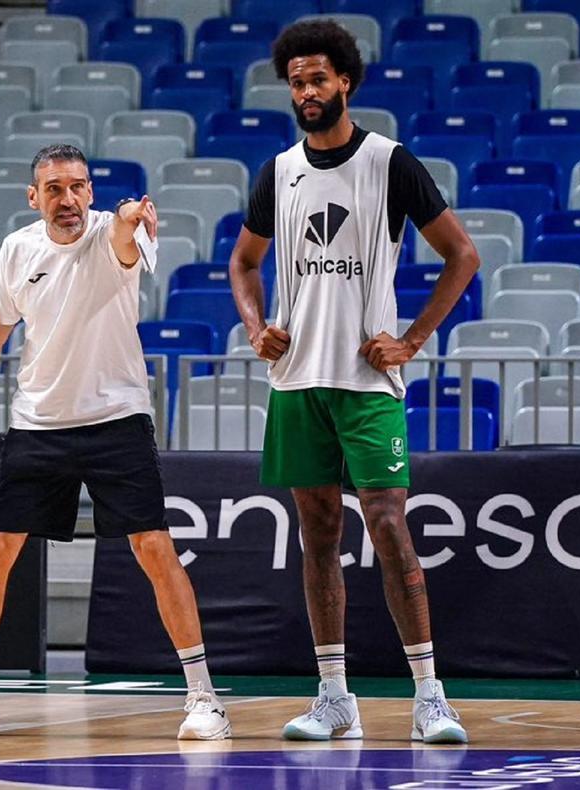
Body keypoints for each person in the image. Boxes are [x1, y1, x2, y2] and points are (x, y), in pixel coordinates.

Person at [228, 19, 480, 743]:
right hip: (296, 380)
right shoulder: (279, 170)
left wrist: (412, 339)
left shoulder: (388, 161)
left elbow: (462, 255)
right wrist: (255, 327)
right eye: (296, 82)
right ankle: (334, 697)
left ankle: (430, 696)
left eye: (318, 79)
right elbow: (243, 263)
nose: (307, 92)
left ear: (345, 82)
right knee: (317, 536)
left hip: (367, 381)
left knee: (389, 527)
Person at [0, 144, 231, 741]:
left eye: (77, 187)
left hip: (116, 418)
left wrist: (129, 216)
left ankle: (204, 698)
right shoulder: (17, 250)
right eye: (54, 189)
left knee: (154, 547)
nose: (67, 198)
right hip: (38, 424)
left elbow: (125, 237)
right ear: (34, 197)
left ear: (90, 192)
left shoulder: (113, 234)